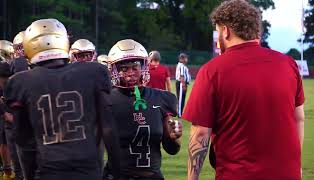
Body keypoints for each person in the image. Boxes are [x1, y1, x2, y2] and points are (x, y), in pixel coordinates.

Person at [183, 1, 305, 180]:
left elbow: (201, 133)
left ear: (225, 30)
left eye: (218, 31)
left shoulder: (212, 71)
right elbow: (299, 118)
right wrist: (295, 165)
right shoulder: (288, 64)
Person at [4, 18, 120, 180]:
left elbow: (24, 141)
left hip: (49, 170)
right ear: (64, 41)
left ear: (30, 45)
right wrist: (115, 169)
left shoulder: (21, 82)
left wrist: (29, 175)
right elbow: (108, 129)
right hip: (88, 170)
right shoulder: (94, 72)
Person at [103, 39, 182, 180]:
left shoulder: (162, 99)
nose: (130, 73)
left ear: (144, 67)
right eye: (124, 68)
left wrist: (174, 137)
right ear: (114, 69)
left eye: (135, 67)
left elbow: (172, 149)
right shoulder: (106, 100)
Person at [0, 41, 16, 180]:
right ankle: (8, 171)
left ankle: (8, 171)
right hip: (5, 111)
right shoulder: (4, 68)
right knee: (5, 140)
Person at [175, 53, 190, 117]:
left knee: (182, 98)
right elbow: (181, 75)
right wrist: (183, 85)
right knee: (180, 99)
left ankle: (181, 112)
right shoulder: (181, 65)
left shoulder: (182, 65)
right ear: (181, 59)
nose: (186, 59)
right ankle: (180, 114)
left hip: (182, 83)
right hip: (181, 83)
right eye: (185, 58)